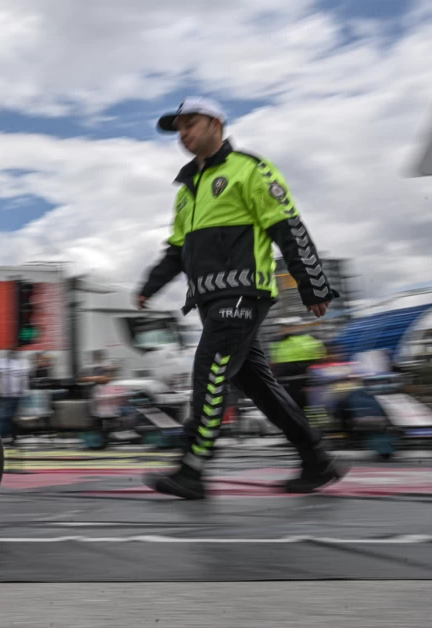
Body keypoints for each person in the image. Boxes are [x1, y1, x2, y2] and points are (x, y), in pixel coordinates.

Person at [135, 97, 346, 499]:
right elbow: (178, 249)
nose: (183, 133)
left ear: (217, 123)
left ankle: (193, 468)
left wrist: (313, 284)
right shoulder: (187, 191)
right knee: (257, 385)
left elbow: (288, 227)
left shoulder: (250, 170)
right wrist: (149, 286)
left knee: (208, 370)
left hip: (244, 293)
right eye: (178, 129)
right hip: (210, 300)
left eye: (190, 124)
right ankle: (317, 460)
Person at [270, 321, 327, 411]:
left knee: (306, 403)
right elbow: (321, 355)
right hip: (295, 377)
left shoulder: (279, 340)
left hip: (302, 376)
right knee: (306, 404)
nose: (283, 329)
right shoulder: (278, 340)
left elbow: (321, 355)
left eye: (286, 327)